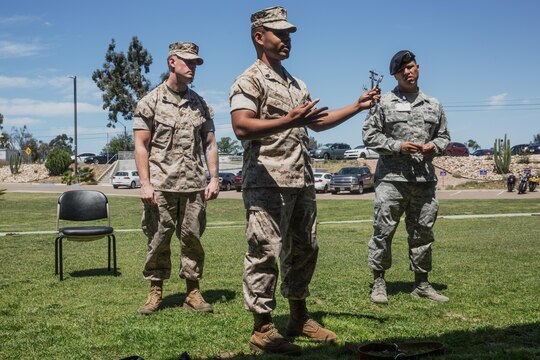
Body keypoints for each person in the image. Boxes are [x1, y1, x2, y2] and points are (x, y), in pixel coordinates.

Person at [229, 6, 380, 355]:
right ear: (258, 37)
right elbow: (241, 126)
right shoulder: (248, 79)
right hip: (266, 181)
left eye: (289, 34)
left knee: (305, 249)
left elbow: (318, 122)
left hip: (301, 179)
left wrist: (357, 106)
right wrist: (288, 120)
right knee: (264, 251)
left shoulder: (296, 83)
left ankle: (298, 316)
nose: (287, 40)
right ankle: (263, 327)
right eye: (280, 33)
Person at [134, 42, 220, 315]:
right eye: (188, 62)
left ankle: (193, 292)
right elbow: (141, 146)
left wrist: (214, 178)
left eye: (195, 63)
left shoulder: (201, 104)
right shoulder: (150, 102)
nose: (193, 67)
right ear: (172, 62)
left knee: (192, 238)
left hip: (194, 185)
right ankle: (155, 292)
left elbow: (210, 144)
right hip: (161, 184)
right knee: (158, 238)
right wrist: (145, 184)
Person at [362, 50, 451, 305]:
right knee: (383, 231)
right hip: (391, 180)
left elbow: (445, 136)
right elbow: (369, 135)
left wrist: (434, 146)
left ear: (418, 68)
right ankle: (379, 282)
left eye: (411, 67)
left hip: (423, 181)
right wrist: (397, 146)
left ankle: (422, 284)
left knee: (423, 232)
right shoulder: (383, 102)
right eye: (402, 70)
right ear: (395, 75)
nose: (407, 72)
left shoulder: (434, 104)